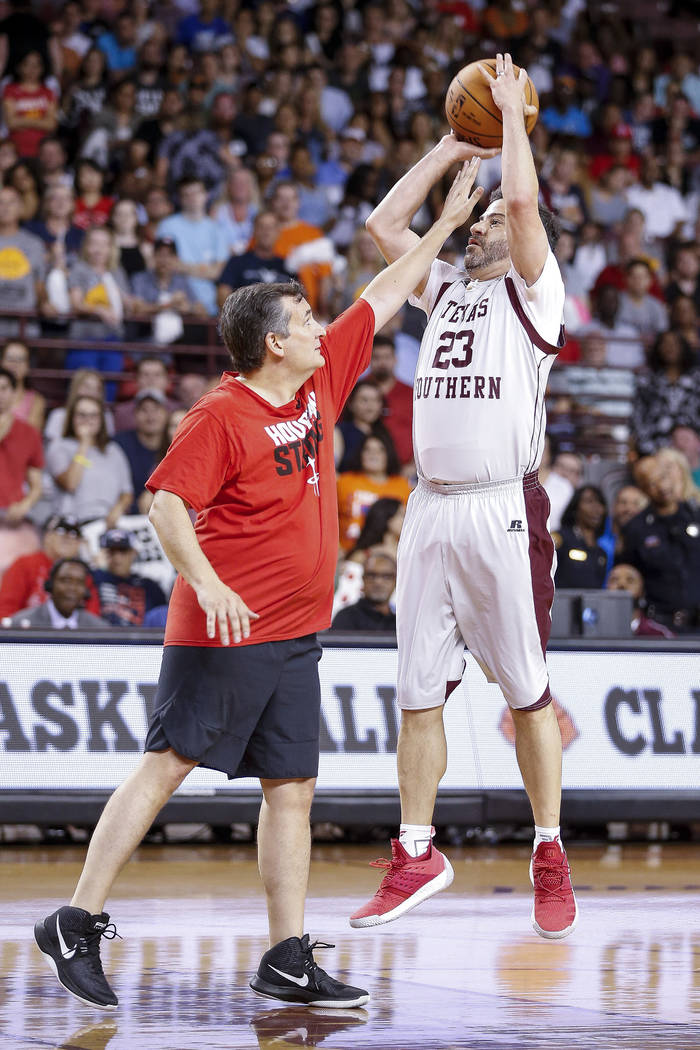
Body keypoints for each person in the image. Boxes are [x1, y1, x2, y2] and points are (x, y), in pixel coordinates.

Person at [33, 151, 488, 1010]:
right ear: (274, 341)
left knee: (293, 790)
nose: (323, 328)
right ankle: (74, 919)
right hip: (225, 630)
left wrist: (444, 221)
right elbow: (166, 501)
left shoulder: (317, 381)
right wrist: (203, 582)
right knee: (163, 767)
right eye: (307, 320)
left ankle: (285, 954)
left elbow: (387, 291)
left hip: (293, 636)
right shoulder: (222, 413)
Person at [350, 54, 578, 941]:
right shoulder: (444, 286)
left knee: (526, 696)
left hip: (500, 508)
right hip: (431, 508)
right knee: (417, 694)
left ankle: (549, 851)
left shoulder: (535, 289)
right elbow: (382, 221)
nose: (477, 227)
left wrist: (515, 120)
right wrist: (452, 147)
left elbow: (522, 206)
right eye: (475, 222)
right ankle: (416, 851)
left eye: (486, 221)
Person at [619, 453, 700, 632]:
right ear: (643, 489)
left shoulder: (696, 515)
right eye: (652, 483)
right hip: (659, 628)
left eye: (663, 477)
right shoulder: (635, 529)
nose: (662, 487)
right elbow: (627, 575)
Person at [43, 394, 132, 525]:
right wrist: (84, 443)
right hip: (72, 526)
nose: (88, 420)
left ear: (101, 420)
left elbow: (126, 492)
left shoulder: (113, 450)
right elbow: (70, 484)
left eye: (93, 415)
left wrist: (118, 509)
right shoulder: (59, 447)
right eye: (82, 415)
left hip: (107, 524)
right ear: (72, 418)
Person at [0, 512, 100, 617]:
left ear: (79, 543)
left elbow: (91, 615)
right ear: (47, 537)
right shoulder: (25, 564)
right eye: (60, 531)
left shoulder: (83, 573)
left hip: (70, 631)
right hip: (30, 630)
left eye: (74, 534)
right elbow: (6, 608)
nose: (67, 538)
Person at [336, 433, 410, 552]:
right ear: (360, 454)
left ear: (388, 454)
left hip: (388, 558)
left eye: (380, 450)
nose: (373, 454)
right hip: (346, 555)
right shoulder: (343, 482)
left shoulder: (403, 487)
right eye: (367, 449)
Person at [631, 330, 700, 456]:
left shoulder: (696, 379)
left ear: (683, 347)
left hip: (691, 442)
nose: (670, 348)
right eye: (665, 344)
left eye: (675, 344)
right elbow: (638, 415)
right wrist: (643, 442)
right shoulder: (646, 379)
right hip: (654, 443)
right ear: (658, 348)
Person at [3, 557, 106, 629]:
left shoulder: (99, 628)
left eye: (79, 583)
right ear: (50, 584)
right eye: (65, 580)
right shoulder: (20, 624)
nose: (72, 588)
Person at [216, 211, 292, 307]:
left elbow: (297, 301)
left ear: (278, 232)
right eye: (262, 227)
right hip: (245, 319)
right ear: (254, 231)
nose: (266, 232)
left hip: (279, 319)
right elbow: (223, 295)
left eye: (271, 227)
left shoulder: (287, 267)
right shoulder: (237, 262)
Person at [91, 528, 166, 626]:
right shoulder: (94, 578)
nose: (117, 557)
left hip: (143, 638)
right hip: (102, 637)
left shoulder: (149, 586)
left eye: (123, 551)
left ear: (134, 553)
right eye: (111, 552)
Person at [114, 389, 170, 514]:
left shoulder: (175, 445)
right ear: (135, 414)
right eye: (144, 410)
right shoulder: (120, 443)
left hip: (165, 515)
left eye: (156, 409)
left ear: (166, 413)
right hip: (125, 516)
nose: (150, 416)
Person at [0, 365, 43, 522]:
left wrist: (24, 506)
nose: (0, 394)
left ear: (14, 392)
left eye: (4, 388)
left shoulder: (29, 433)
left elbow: (36, 485)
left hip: (12, 513)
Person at [368, 334, 414, 470]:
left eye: (387, 357)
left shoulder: (411, 394)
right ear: (368, 360)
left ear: (395, 359)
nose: (382, 363)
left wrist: (413, 467)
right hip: (363, 473)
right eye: (376, 358)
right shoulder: (357, 392)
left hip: (405, 471)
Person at [553, 485, 609, 589]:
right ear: (575, 508)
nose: (596, 508)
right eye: (589, 502)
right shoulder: (561, 538)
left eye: (600, 503)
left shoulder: (602, 553)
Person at [330, 549, 397, 631]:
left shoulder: (401, 623)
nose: (378, 582)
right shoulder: (345, 618)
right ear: (363, 579)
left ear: (395, 581)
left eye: (386, 576)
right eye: (371, 575)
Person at [605, 562, 674, 638]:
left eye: (630, 580)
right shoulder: (595, 632)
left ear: (642, 592)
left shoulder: (659, 635)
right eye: (614, 580)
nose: (622, 584)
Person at [0, 339, 45, 429]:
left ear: (28, 366)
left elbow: (31, 435)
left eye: (21, 359)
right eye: (10, 358)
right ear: (1, 362)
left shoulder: (36, 401)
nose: (15, 364)